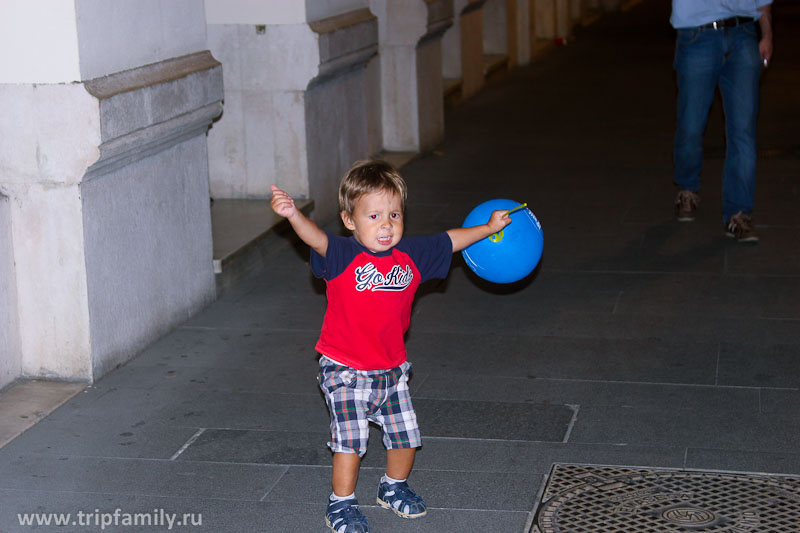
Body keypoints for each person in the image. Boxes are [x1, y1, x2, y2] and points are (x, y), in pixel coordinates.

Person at [269, 160, 511, 533]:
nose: (386, 224)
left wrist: (489, 228)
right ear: (350, 221)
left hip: (392, 368)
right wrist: (293, 216)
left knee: (406, 438)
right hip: (344, 369)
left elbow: (451, 239)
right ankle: (341, 504)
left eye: (394, 214)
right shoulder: (342, 255)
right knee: (351, 442)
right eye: (374, 215)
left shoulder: (411, 255)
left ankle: (392, 487)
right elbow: (314, 237)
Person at [671, 0, 773, 242]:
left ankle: (739, 213)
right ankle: (687, 187)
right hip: (698, 34)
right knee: (691, 125)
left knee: (743, 130)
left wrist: (767, 33)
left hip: (744, 35)